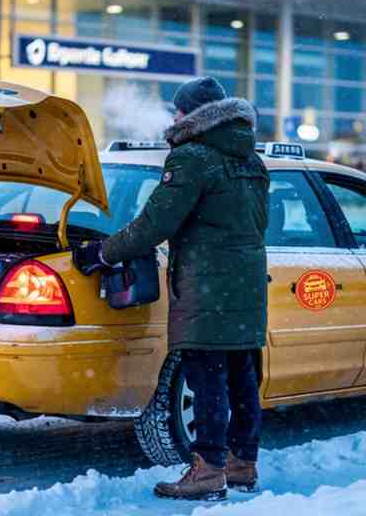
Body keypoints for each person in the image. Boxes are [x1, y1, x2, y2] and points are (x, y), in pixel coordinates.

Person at [72, 77, 269, 501]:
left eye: (179, 111)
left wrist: (103, 253)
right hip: (246, 283)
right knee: (242, 375)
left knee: (206, 376)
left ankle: (208, 470)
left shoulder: (192, 158)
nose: (174, 117)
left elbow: (155, 224)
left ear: (195, 115)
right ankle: (242, 463)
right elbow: (256, 223)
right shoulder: (252, 160)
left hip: (208, 285)